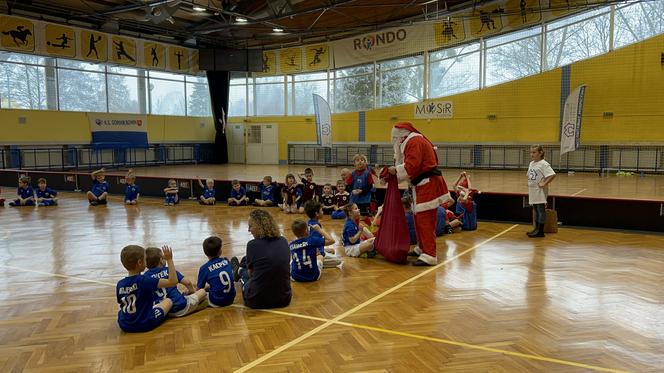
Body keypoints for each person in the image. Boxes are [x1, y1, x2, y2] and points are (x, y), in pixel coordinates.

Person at [388, 122, 451, 266]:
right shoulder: (411, 141)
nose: (395, 142)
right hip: (421, 185)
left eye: (395, 139)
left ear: (400, 136)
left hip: (428, 184)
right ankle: (422, 248)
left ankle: (430, 254)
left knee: (425, 220)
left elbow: (412, 166)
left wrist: (395, 171)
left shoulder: (414, 142)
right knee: (418, 219)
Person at [230, 210, 291, 309]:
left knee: (246, 274)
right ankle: (240, 267)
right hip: (284, 299)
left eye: (251, 226)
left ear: (260, 227)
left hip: (256, 301)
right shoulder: (283, 241)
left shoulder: (252, 245)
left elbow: (251, 275)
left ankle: (238, 270)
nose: (249, 230)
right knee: (250, 260)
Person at [116, 245, 177, 332]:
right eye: (145, 259)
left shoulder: (120, 284)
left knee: (122, 312)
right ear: (140, 262)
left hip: (124, 325)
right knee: (168, 301)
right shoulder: (145, 280)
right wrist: (169, 259)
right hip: (145, 323)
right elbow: (173, 281)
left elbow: (121, 302)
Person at [144, 247, 207, 317]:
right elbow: (187, 283)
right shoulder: (169, 270)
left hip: (164, 309)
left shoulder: (145, 277)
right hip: (181, 307)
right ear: (161, 260)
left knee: (183, 293)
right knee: (202, 291)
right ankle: (196, 306)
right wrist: (192, 291)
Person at [197, 236, 236, 308]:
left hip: (216, 301)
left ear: (205, 252)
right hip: (231, 299)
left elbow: (199, 289)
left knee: (201, 292)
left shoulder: (204, 268)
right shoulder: (226, 261)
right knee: (213, 284)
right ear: (220, 251)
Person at [527, 144, 556, 237]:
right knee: (535, 209)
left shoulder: (544, 164)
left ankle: (540, 231)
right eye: (531, 152)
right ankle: (536, 229)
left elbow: (552, 175)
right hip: (532, 190)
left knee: (540, 210)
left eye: (534, 152)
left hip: (540, 191)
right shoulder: (531, 163)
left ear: (540, 153)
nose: (532, 154)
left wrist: (544, 183)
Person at [303, 200, 342, 268]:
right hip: (315, 253)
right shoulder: (316, 226)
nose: (323, 212)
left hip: (310, 250)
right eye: (321, 211)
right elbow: (314, 242)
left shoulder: (308, 222)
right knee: (338, 261)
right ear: (317, 214)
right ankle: (315, 263)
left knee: (332, 250)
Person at [346, 154, 374, 220]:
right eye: (357, 160)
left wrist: (362, 191)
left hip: (364, 199)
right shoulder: (352, 174)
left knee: (363, 216)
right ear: (354, 163)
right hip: (354, 198)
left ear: (366, 163)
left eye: (362, 160)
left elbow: (370, 186)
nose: (360, 161)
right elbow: (348, 186)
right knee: (353, 215)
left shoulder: (368, 174)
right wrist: (352, 190)